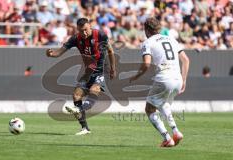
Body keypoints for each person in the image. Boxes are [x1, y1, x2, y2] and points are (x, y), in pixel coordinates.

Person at [46, 18, 116, 135]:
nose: (84, 33)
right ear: (77, 29)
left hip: (102, 71)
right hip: (88, 72)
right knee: (76, 96)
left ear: (90, 26)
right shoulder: (75, 38)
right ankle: (85, 128)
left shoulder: (100, 35)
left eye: (86, 30)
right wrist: (51, 54)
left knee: (94, 90)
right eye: (81, 30)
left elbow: (110, 51)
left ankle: (79, 109)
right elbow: (60, 52)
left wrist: (113, 68)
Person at [129, 17, 189, 147]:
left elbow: (146, 64)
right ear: (159, 28)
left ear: (146, 29)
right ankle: (176, 131)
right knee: (164, 103)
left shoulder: (147, 42)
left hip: (164, 77)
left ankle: (167, 138)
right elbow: (185, 60)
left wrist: (136, 76)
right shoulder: (172, 39)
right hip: (177, 78)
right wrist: (184, 80)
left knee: (149, 109)